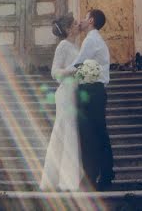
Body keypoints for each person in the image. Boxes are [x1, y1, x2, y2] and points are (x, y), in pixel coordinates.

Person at [39, 13, 84, 191]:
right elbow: (55, 73)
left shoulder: (74, 45)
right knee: (66, 133)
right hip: (65, 94)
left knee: (70, 134)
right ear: (68, 29)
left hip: (74, 92)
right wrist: (75, 69)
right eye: (74, 23)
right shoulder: (63, 46)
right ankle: (66, 180)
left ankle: (69, 177)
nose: (78, 24)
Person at [72, 8, 115, 190]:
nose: (80, 21)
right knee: (98, 133)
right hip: (96, 91)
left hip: (91, 91)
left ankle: (91, 177)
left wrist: (59, 72)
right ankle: (105, 173)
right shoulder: (95, 39)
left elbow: (78, 64)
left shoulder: (91, 40)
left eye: (84, 17)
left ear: (91, 21)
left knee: (89, 135)